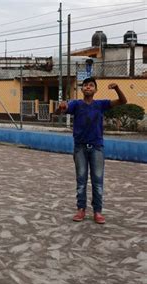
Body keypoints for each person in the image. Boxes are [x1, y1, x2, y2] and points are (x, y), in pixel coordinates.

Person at [57, 77, 127, 224]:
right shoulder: (76, 104)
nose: (88, 87)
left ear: (95, 89)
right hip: (80, 147)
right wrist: (61, 107)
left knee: (97, 181)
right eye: (85, 85)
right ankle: (81, 209)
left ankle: (97, 211)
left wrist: (117, 88)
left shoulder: (101, 104)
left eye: (91, 85)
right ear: (82, 89)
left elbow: (123, 101)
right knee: (81, 180)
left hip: (97, 147)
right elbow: (61, 111)